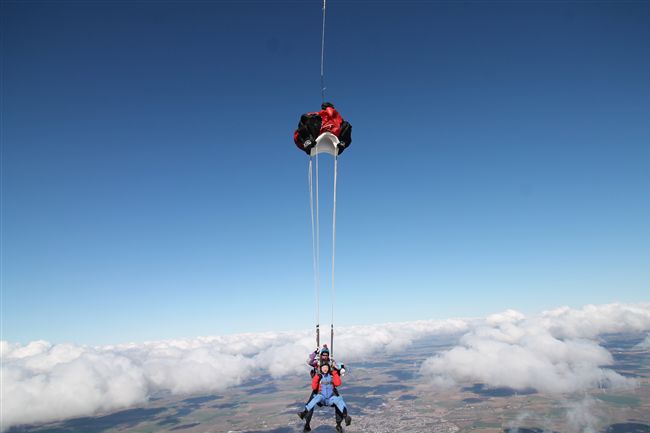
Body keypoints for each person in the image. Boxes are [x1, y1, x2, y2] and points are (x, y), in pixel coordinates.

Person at [298, 363, 352, 433]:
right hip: (321, 395)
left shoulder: (332, 372)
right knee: (315, 399)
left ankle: (344, 417)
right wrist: (316, 377)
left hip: (330, 396)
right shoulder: (318, 371)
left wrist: (335, 372)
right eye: (323, 368)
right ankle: (305, 415)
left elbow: (338, 383)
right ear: (321, 369)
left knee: (338, 400)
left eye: (326, 367)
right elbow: (314, 387)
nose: (325, 369)